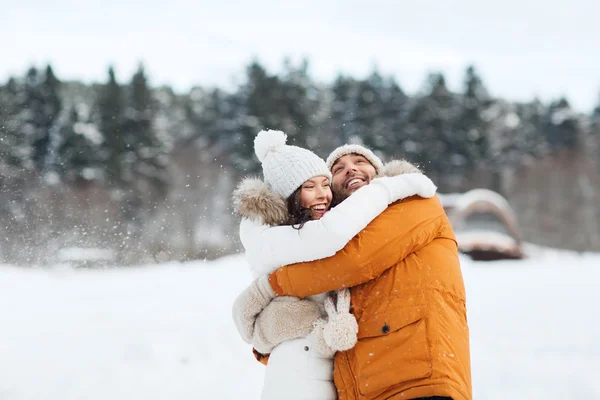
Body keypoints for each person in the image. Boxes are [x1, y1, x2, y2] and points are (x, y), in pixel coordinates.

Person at [234, 143, 472, 400]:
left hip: (418, 378)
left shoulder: (414, 202)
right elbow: (320, 323)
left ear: (378, 171)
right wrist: (272, 333)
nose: (350, 169)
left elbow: (354, 262)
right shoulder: (332, 239)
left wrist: (274, 285)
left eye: (360, 161)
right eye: (338, 169)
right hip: (364, 387)